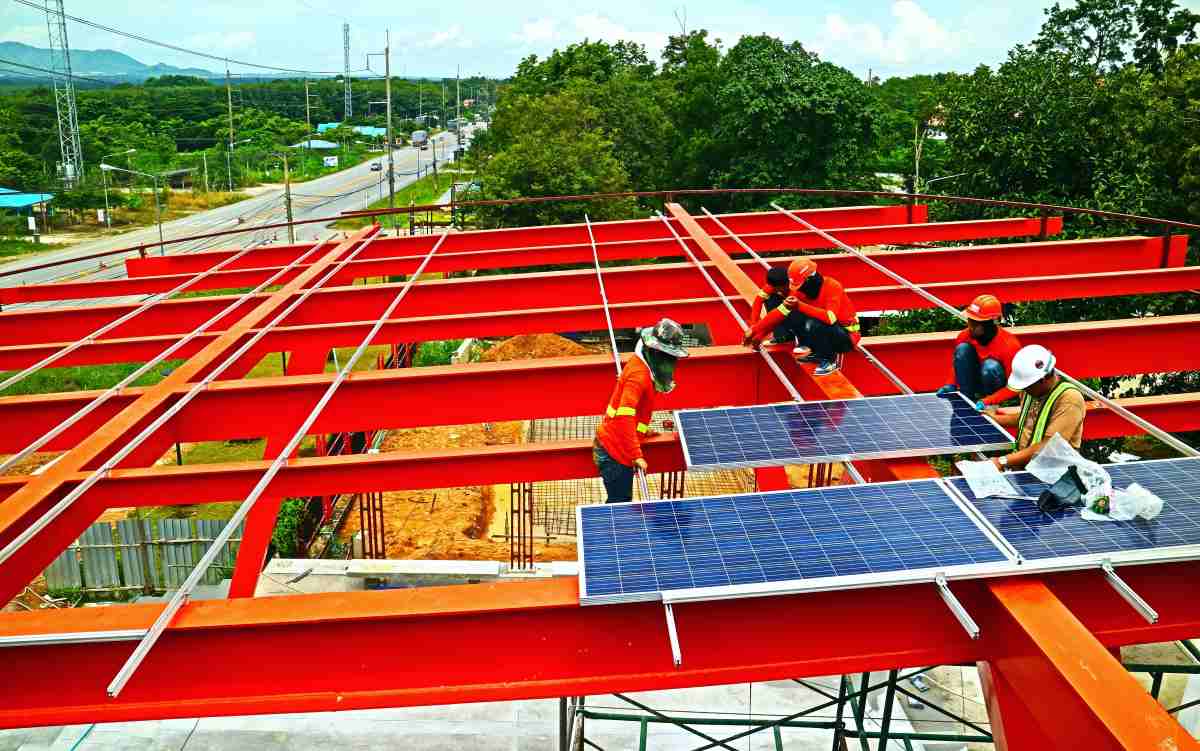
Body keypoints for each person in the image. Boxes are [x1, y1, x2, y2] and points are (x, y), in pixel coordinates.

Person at [594, 318, 689, 503]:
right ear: (655, 351)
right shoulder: (639, 376)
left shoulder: (645, 367)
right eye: (667, 356)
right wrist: (636, 454)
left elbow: (635, 413)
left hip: (618, 445)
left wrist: (642, 432)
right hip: (614, 451)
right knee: (619, 503)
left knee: (620, 503)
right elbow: (624, 416)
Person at [741, 258, 860, 376]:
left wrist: (799, 305)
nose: (797, 290)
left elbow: (830, 318)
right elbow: (780, 313)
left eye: (799, 285)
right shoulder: (800, 291)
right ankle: (817, 353)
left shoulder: (832, 286)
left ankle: (829, 360)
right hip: (826, 330)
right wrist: (756, 332)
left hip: (847, 337)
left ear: (809, 280)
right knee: (795, 315)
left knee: (813, 322)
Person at [986, 344, 1085, 471]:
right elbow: (1028, 418)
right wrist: (994, 419)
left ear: (1042, 379)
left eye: (1027, 386)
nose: (1023, 389)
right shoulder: (1032, 390)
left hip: (1054, 474)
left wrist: (1002, 461)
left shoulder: (1069, 399)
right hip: (1025, 468)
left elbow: (1050, 446)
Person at [936, 294, 1022, 410]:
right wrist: (950, 384)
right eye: (969, 320)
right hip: (974, 382)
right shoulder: (964, 336)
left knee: (990, 367)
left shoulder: (1010, 346)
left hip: (995, 387)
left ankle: (991, 408)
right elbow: (958, 362)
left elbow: (1015, 388)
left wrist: (988, 400)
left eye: (975, 323)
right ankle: (967, 402)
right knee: (962, 349)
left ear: (989, 324)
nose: (970, 326)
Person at [750, 265, 793, 344]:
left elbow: (778, 315)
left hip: (802, 314)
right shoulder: (772, 286)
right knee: (769, 298)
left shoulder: (795, 290)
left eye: (777, 289)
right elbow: (757, 302)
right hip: (784, 309)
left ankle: (794, 335)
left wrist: (758, 333)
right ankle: (781, 335)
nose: (774, 290)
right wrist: (753, 325)